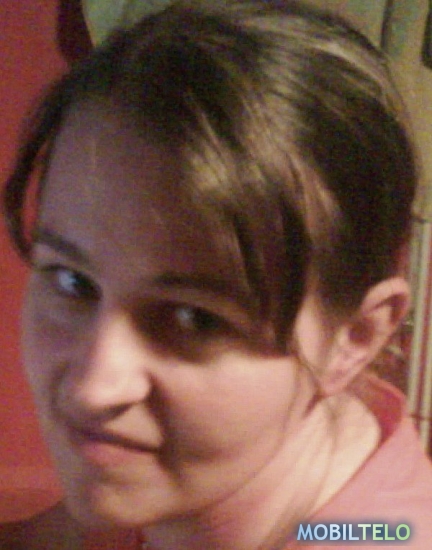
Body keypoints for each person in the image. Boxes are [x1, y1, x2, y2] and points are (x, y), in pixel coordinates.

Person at [3, 0, 432, 548]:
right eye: (73, 282)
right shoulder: (206, 460)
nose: (92, 390)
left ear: (354, 339)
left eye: (194, 319)